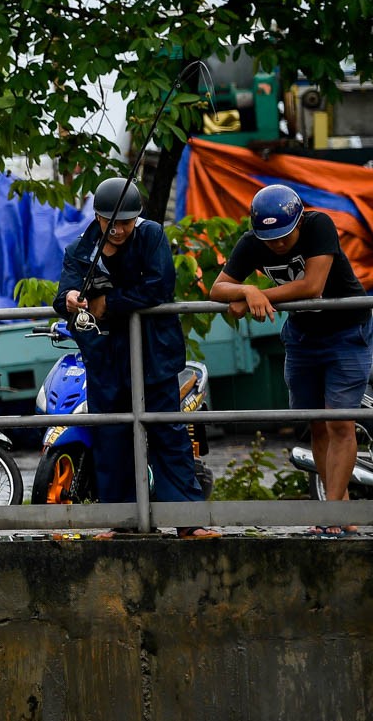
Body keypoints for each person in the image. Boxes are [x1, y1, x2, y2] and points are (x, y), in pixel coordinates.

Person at [55, 177, 214, 538]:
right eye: (112, 222)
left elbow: (159, 286)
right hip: (105, 359)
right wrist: (69, 300)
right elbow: (63, 292)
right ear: (97, 217)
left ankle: (189, 522)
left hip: (153, 354)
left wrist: (107, 303)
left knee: (168, 435)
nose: (120, 229)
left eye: (126, 222)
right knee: (111, 439)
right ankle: (123, 522)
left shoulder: (152, 236)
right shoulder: (80, 249)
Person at [211, 184, 371, 534]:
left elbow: (312, 285)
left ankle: (334, 516)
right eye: (270, 238)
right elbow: (218, 289)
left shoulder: (319, 226)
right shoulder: (253, 243)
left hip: (346, 332)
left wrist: (259, 295)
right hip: (302, 337)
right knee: (315, 422)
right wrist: (246, 289)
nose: (278, 245)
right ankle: (336, 507)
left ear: (299, 221)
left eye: (284, 236)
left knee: (340, 422)